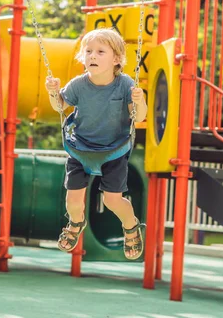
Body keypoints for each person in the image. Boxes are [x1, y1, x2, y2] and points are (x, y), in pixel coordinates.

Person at [45, 28, 148, 260]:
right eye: (88, 51)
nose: (92, 56)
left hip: (113, 150)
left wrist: (140, 101)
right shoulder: (79, 85)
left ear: (116, 59)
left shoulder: (125, 85)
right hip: (81, 148)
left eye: (100, 52)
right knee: (72, 200)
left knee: (112, 200)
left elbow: (139, 117)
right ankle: (76, 221)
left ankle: (131, 226)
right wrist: (53, 92)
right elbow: (60, 106)